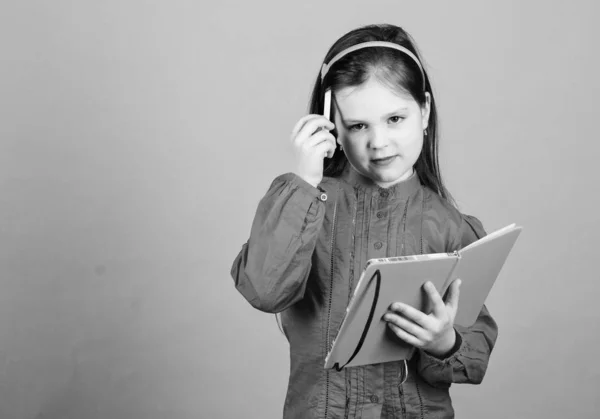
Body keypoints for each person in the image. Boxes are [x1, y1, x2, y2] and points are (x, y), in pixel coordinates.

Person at [230, 23, 498, 419]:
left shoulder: (451, 226)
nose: (379, 142)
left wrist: (445, 341)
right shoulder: (307, 207)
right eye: (358, 125)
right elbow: (265, 290)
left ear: (424, 110)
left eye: (395, 119)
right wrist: (305, 180)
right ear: (331, 126)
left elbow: (473, 357)